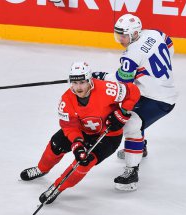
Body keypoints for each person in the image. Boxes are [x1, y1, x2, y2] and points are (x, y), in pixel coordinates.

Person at [20, 61, 140, 204]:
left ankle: (57, 187)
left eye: (82, 82)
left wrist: (122, 113)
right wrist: (77, 144)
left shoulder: (107, 89)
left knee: (84, 162)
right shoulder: (66, 100)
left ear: (90, 81)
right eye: (75, 83)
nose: (78, 87)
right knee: (55, 144)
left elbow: (133, 91)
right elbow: (69, 126)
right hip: (82, 131)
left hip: (108, 136)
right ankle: (41, 169)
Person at [92, 14, 178, 191]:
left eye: (123, 36)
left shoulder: (131, 55)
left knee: (130, 124)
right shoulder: (154, 34)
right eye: (118, 35)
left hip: (159, 99)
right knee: (133, 110)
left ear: (135, 33)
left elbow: (122, 83)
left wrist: (100, 77)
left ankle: (131, 173)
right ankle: (141, 147)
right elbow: (169, 44)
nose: (120, 39)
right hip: (157, 91)